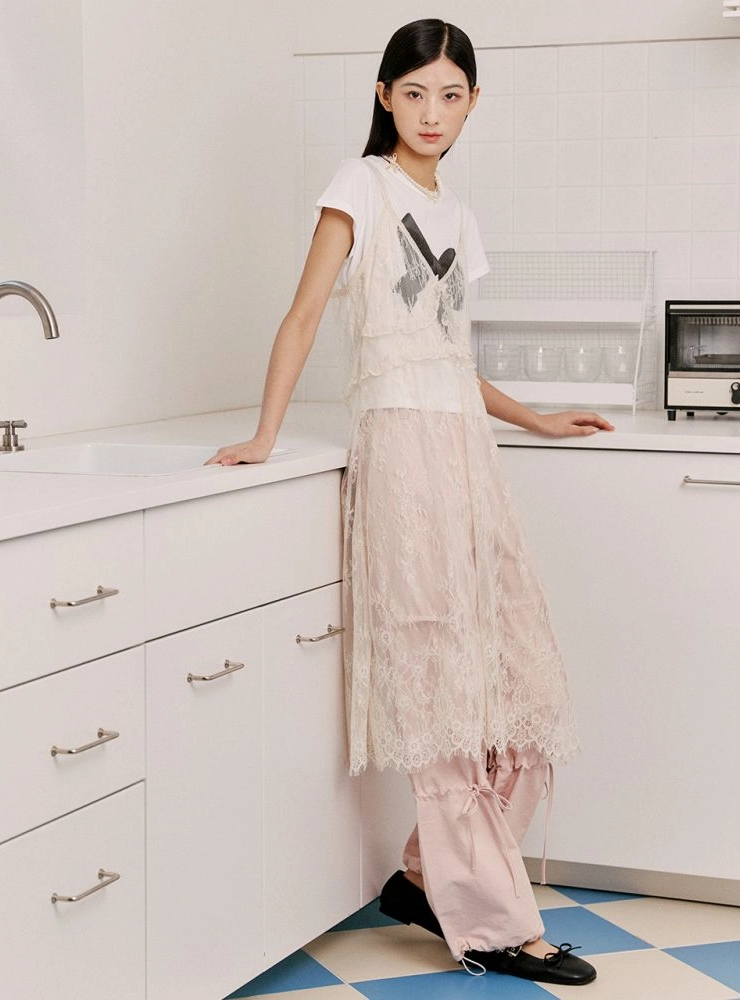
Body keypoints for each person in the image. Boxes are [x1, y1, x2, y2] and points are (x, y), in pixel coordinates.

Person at [207, 18, 613, 986]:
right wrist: (264, 435)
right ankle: (497, 924)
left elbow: (450, 358)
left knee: (522, 688)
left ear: (473, 105)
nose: (433, 113)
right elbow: (306, 313)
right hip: (398, 453)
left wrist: (535, 417)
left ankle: (430, 877)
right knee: (440, 689)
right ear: (386, 96)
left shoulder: (459, 218)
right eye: (416, 92)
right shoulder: (361, 186)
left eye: (451, 95)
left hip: (467, 455)